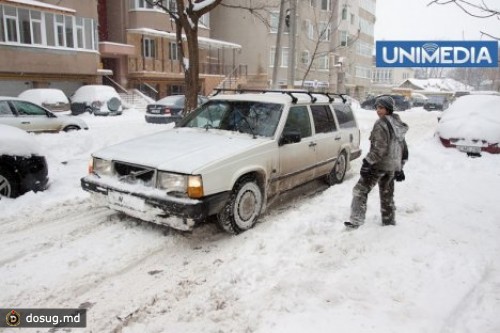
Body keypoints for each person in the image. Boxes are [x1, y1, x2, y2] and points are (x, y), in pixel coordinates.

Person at [345, 95, 409, 229]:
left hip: (378, 165)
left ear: (388, 108)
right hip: (391, 167)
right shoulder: (397, 123)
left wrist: (368, 163)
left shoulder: (381, 124)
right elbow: (403, 147)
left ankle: (356, 221)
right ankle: (388, 221)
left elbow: (380, 148)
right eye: (377, 108)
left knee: (360, 190)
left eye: (381, 107)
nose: (378, 111)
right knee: (387, 195)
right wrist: (400, 167)